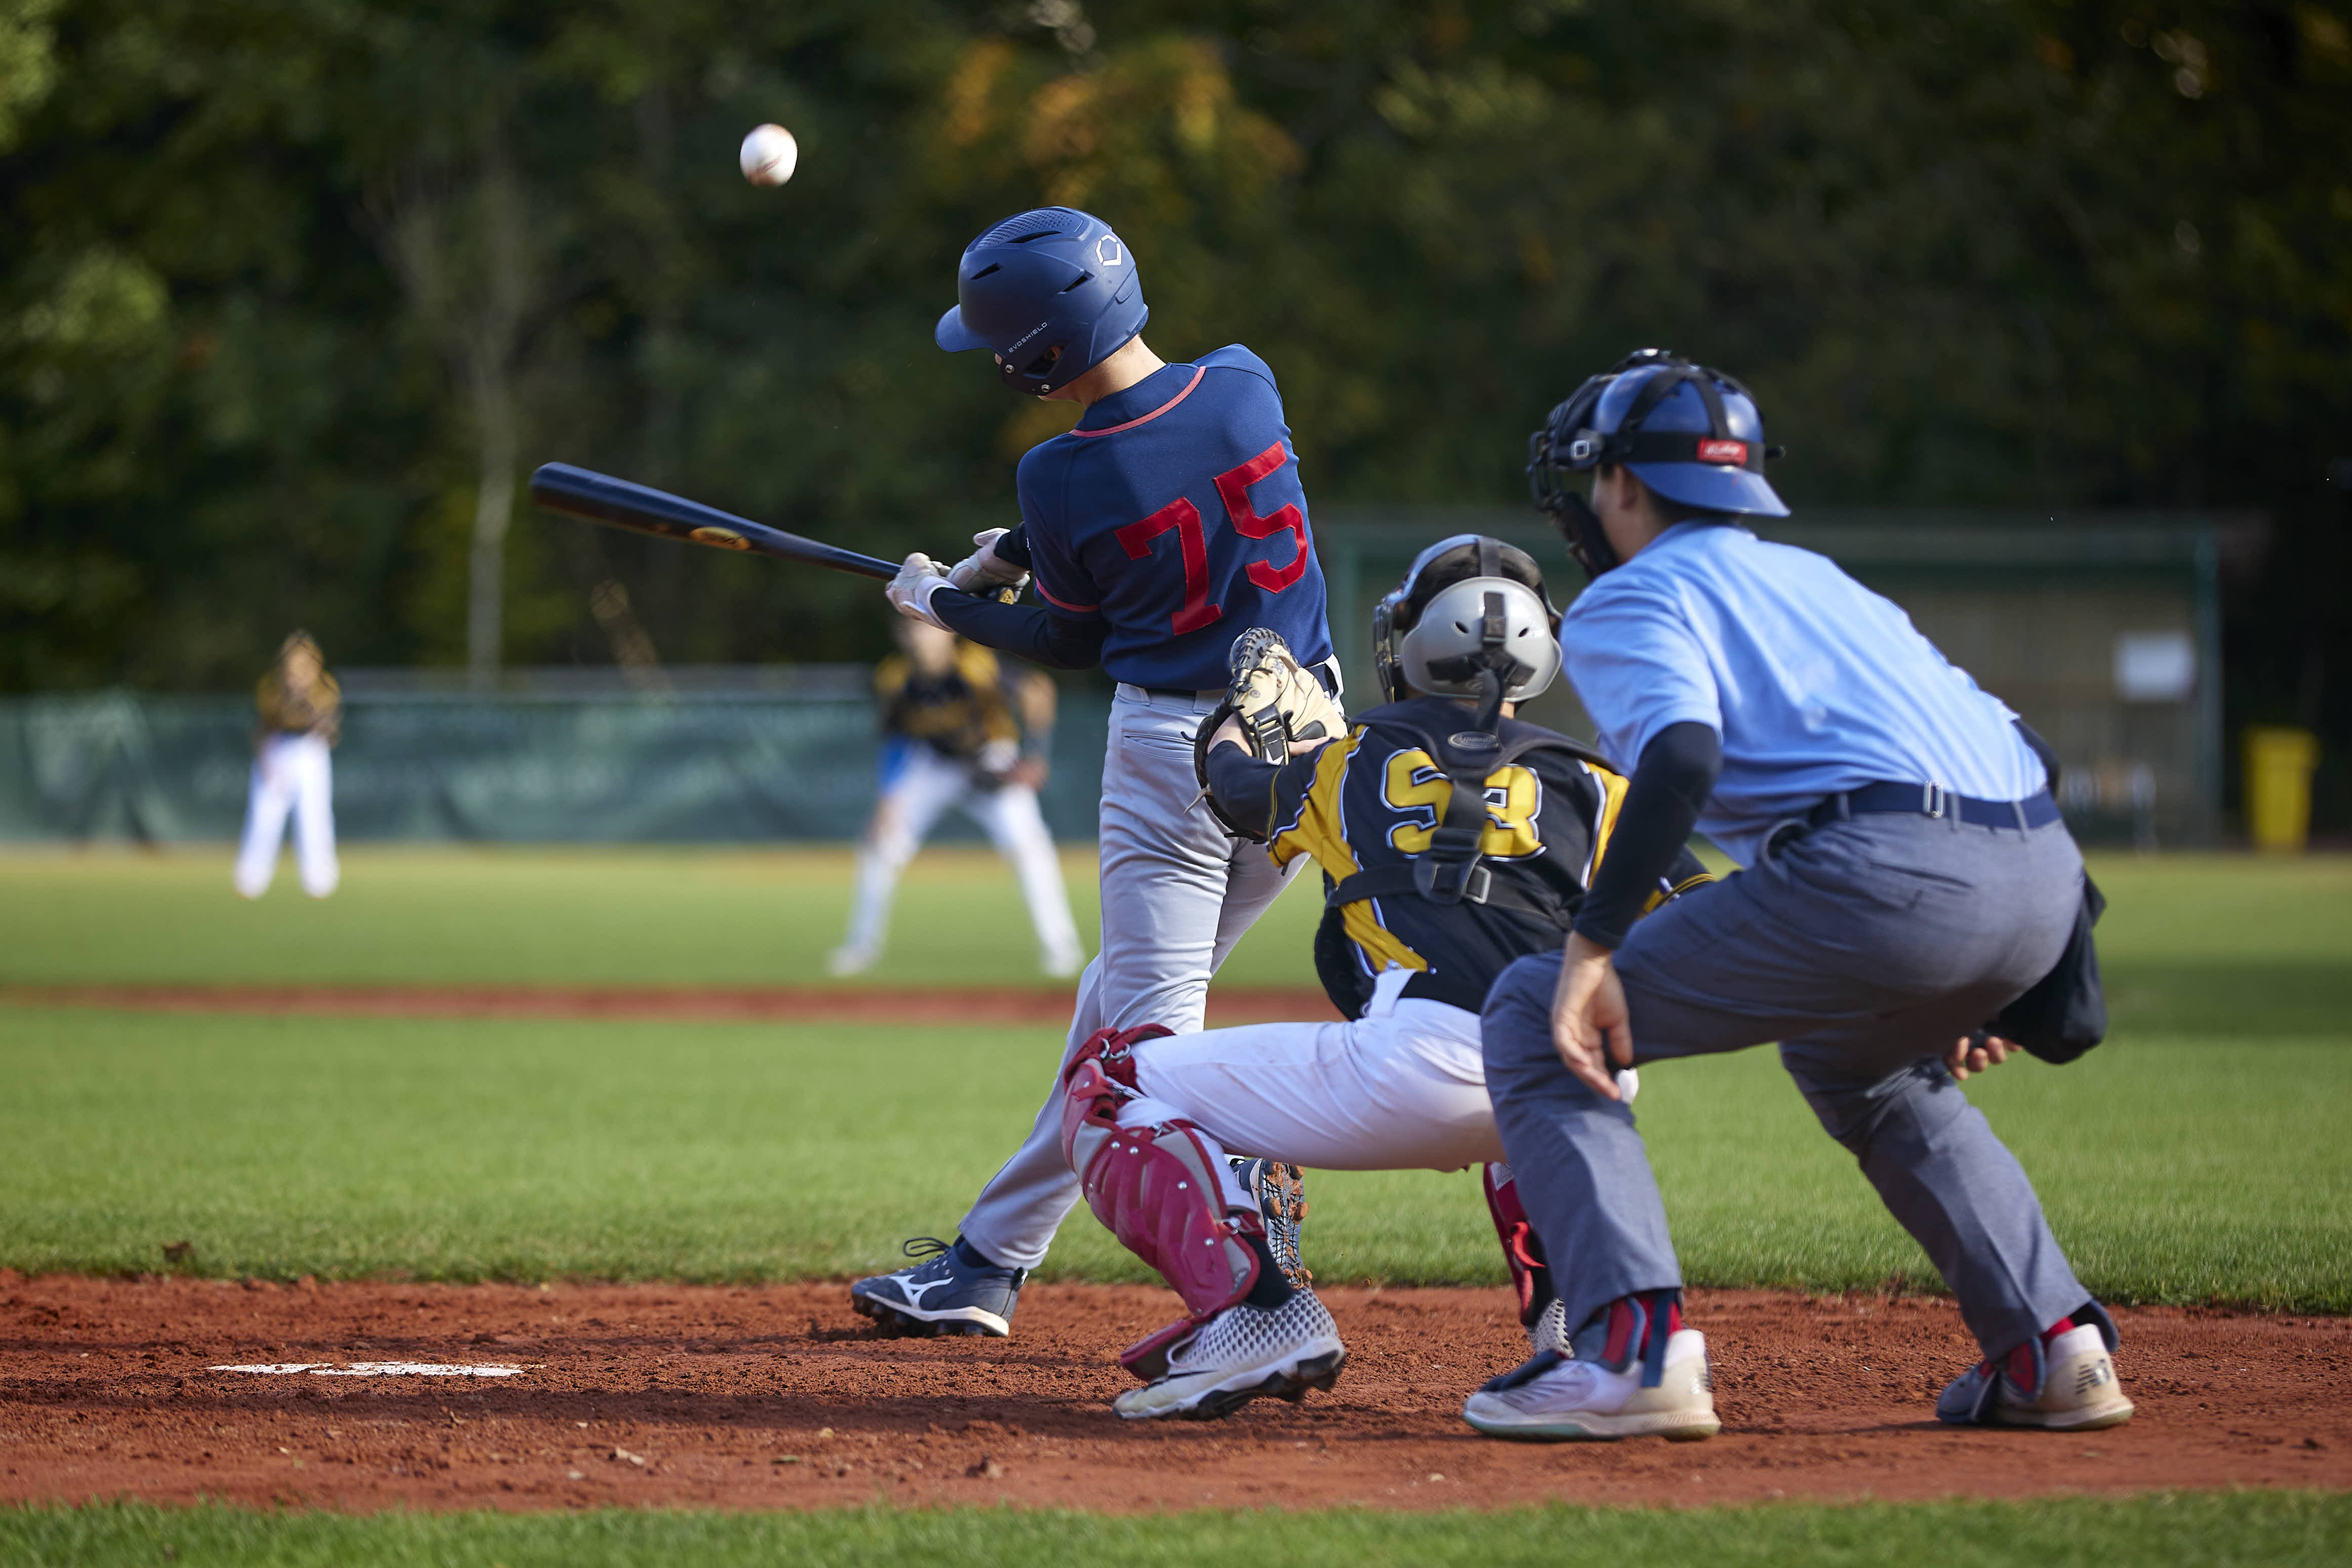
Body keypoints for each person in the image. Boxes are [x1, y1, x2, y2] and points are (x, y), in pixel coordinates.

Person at [1466, 350, 2133, 1442]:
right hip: (2041, 881)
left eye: (1595, 482)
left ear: (1624, 485)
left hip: (1885, 877)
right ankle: (2057, 1349)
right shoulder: (1823, 581)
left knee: (1538, 1020)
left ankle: (1637, 1358)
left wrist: (1592, 946)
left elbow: (1681, 755)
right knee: (1854, 1061)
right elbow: (2032, 751)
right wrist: (1987, 967)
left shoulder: (1630, 597)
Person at [1055, 537, 1713, 1421]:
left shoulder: (1353, 752)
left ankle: (1258, 1317)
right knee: (1540, 1081)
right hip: (1576, 1075)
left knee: (1111, 1079)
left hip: (1413, 1065)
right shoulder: (1594, 781)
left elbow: (1236, 793)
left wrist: (1224, 727)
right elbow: (1696, 914)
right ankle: (1593, 1334)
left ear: (1408, 639)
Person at [849, 205, 1339, 1338]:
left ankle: (1249, 1295)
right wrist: (1014, 549)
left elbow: (1067, 641)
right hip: (1307, 746)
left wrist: (945, 603)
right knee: (1110, 1008)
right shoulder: (1244, 380)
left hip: (1177, 759)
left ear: (1036, 360)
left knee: (1148, 1053)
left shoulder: (1058, 474)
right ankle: (988, 1259)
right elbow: (1163, 486)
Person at [831, 619, 1084, 979]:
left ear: (947, 631)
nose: (920, 636)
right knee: (880, 844)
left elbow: (1037, 689)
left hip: (990, 759)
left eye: (927, 627)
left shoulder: (976, 665)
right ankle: (861, 946)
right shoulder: (895, 677)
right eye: (912, 628)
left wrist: (1036, 754)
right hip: (932, 765)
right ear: (900, 635)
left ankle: (1061, 948)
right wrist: (888, 797)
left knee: (1029, 847)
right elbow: (897, 737)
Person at [233, 630, 342, 899]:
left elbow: (330, 733)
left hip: (310, 750)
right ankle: (251, 879)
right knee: (264, 813)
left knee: (314, 815)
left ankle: (320, 880)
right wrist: (265, 760)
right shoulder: (271, 687)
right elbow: (262, 727)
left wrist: (304, 698)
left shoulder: (325, 687)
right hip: (278, 748)